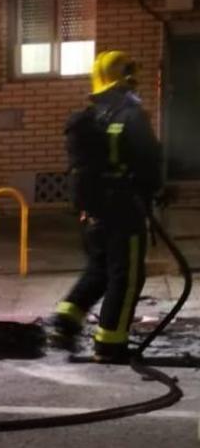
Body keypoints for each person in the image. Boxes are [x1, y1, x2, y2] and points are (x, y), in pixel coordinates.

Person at [46, 51, 163, 363]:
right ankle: (111, 343)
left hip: (93, 211)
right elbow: (150, 160)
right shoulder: (131, 115)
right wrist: (156, 191)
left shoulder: (92, 115)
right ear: (125, 77)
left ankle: (64, 322)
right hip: (125, 210)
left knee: (99, 270)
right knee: (126, 277)